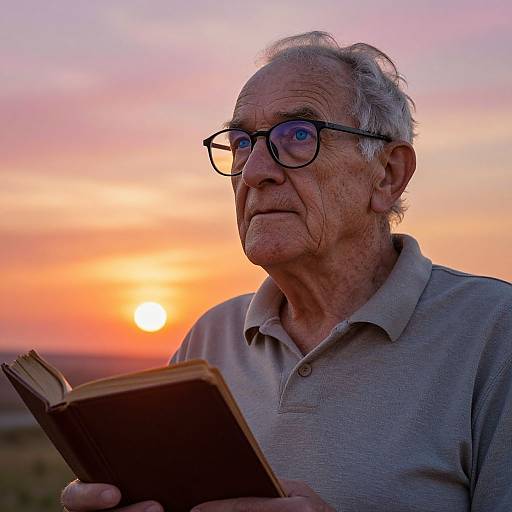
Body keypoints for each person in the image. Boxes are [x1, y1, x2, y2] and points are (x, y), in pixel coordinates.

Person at [61, 31, 512, 512]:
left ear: (388, 174)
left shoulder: (494, 333)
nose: (254, 171)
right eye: (240, 142)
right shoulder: (210, 339)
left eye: (298, 136)